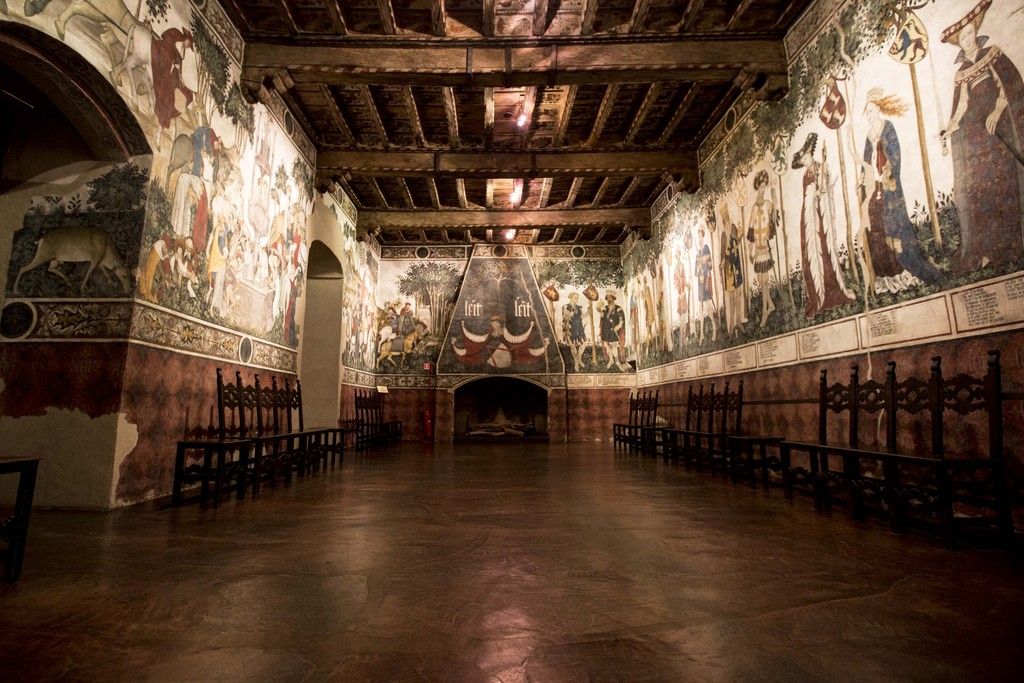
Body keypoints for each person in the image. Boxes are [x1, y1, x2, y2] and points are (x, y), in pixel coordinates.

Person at [941, 0, 1024, 273]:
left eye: (969, 33)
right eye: (961, 37)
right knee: (981, 192)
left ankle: (1012, 247)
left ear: (975, 33)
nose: (966, 39)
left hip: (997, 133)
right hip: (976, 139)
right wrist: (950, 126)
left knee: (1004, 186)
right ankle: (990, 249)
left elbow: (1007, 87)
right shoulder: (962, 72)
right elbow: (962, 104)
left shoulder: (992, 54)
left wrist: (998, 111)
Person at [862, 88, 940, 291]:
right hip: (875, 189)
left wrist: (888, 171)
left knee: (894, 225)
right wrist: (864, 179)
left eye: (871, 111)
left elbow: (895, 155)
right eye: (867, 112)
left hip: (889, 187)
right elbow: (866, 164)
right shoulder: (868, 136)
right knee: (877, 227)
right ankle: (887, 274)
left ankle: (904, 268)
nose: (868, 115)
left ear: (878, 109)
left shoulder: (887, 128)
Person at [792, 133, 856, 316]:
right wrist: (814, 195)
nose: (804, 162)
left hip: (822, 216)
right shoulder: (806, 175)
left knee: (826, 252)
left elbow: (826, 187)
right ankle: (819, 294)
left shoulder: (821, 168)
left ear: (810, 154)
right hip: (810, 219)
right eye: (802, 160)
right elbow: (807, 197)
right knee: (813, 254)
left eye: (805, 158)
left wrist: (822, 190)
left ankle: (833, 288)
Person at [747, 171, 778, 327]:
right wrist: (750, 252)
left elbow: (774, 217)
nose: (763, 190)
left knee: (764, 281)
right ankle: (771, 304)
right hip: (757, 249)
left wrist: (773, 191)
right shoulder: (754, 208)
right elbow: (751, 231)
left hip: (764, 247)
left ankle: (765, 312)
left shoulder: (767, 204)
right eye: (761, 187)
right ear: (757, 187)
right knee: (760, 281)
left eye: (765, 187)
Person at [695, 229, 717, 343]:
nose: (700, 239)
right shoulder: (697, 253)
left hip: (706, 282)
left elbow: (710, 265)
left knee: (708, 308)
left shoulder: (706, 248)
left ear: (703, 237)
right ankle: (702, 335)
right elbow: (695, 272)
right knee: (700, 309)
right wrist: (698, 268)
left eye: (701, 236)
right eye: (698, 236)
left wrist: (707, 275)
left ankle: (714, 330)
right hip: (700, 283)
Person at [599, 293, 627, 371]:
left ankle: (617, 361)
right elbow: (602, 317)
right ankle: (611, 360)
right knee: (606, 345)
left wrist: (618, 327)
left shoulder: (618, 308)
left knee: (614, 345)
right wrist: (599, 309)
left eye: (610, 297)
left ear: (613, 298)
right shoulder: (605, 308)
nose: (608, 299)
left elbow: (621, 320)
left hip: (613, 329)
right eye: (607, 298)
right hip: (605, 329)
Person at [561, 292, 587, 371]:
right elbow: (565, 318)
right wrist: (571, 313)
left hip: (579, 327)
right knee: (573, 346)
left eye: (577, 298)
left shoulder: (579, 307)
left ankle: (579, 358)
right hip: (570, 328)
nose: (577, 299)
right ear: (571, 298)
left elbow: (581, 317)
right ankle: (576, 362)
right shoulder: (565, 306)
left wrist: (588, 312)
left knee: (584, 343)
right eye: (575, 297)